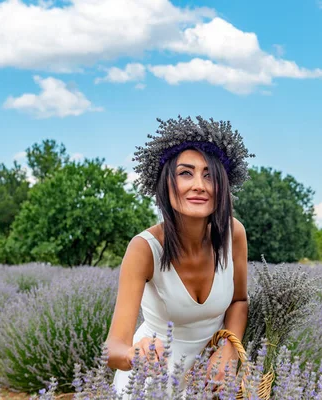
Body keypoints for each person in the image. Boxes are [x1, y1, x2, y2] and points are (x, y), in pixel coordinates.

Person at [105, 116, 255, 398]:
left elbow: (238, 300)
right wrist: (135, 355)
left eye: (209, 174)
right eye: (186, 173)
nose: (199, 184)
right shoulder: (144, 249)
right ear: (166, 183)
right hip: (151, 385)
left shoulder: (233, 234)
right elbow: (113, 348)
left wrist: (229, 350)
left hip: (211, 381)